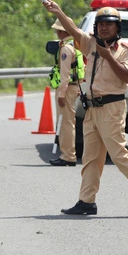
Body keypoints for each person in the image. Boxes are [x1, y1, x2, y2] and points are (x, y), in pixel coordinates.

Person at [43, 0, 128, 218]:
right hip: (91, 109)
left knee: (119, 155)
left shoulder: (125, 51)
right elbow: (73, 30)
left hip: (112, 108)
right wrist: (58, 11)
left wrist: (107, 56)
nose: (104, 27)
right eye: (101, 23)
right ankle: (87, 201)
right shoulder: (90, 44)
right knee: (91, 158)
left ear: (117, 28)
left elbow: (127, 77)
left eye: (109, 24)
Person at [48, 19, 84, 166]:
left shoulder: (65, 49)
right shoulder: (74, 45)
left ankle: (68, 156)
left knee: (65, 123)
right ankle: (68, 154)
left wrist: (61, 94)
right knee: (68, 122)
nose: (57, 33)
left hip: (67, 89)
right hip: (73, 87)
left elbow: (65, 74)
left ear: (63, 31)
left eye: (58, 30)